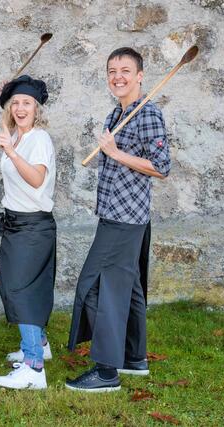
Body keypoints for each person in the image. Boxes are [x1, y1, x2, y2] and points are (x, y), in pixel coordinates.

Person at [66, 47, 171, 392]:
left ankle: (106, 371)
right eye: (112, 71)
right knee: (131, 287)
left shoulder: (148, 114)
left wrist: (114, 152)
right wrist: (111, 153)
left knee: (95, 287)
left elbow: (161, 167)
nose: (118, 77)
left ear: (140, 75)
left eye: (125, 70)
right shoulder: (117, 113)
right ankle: (132, 357)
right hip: (114, 215)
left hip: (125, 219)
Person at [0, 75, 56, 390]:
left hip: (33, 226)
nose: (20, 108)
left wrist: (12, 152)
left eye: (27, 103)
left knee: (24, 292)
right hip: (16, 223)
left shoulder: (38, 139)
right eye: (15, 102)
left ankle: (34, 368)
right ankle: (40, 344)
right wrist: (5, 90)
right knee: (12, 287)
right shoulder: (16, 135)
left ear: (37, 108)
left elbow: (35, 180)